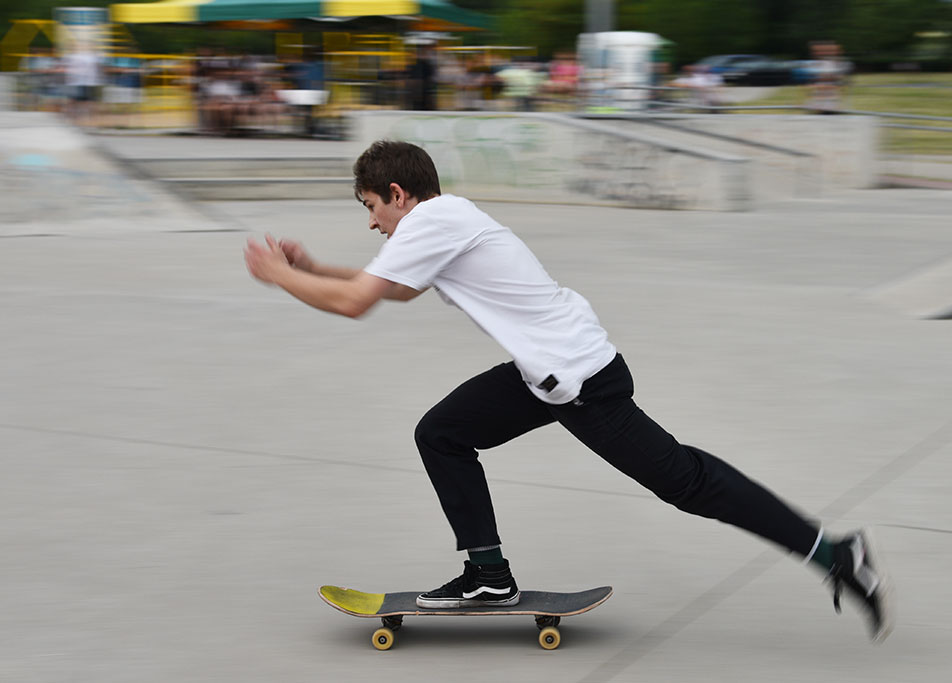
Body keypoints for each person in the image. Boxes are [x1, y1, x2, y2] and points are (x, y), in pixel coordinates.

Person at [243, 140, 894, 642]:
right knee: (442, 432)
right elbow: (396, 287)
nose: (371, 224)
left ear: (396, 193)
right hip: (546, 373)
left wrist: (278, 276)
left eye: (370, 208)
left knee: (687, 482)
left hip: (579, 381)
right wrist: (311, 269)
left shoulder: (432, 221)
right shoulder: (441, 221)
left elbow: (358, 304)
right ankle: (489, 576)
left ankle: (835, 553)